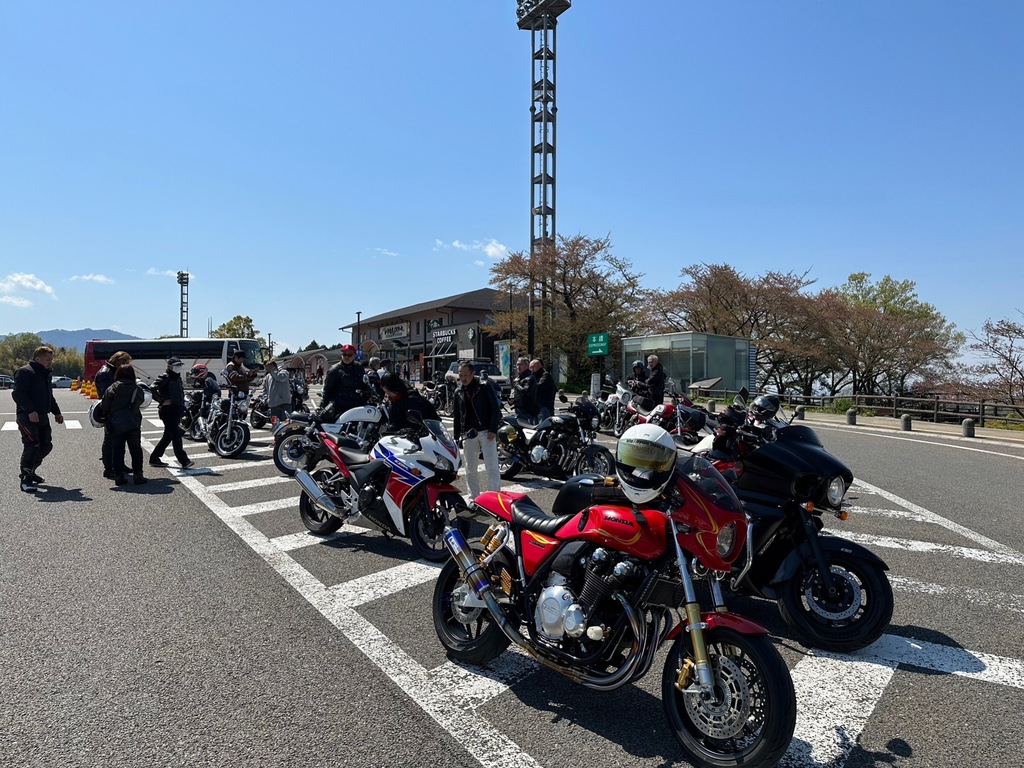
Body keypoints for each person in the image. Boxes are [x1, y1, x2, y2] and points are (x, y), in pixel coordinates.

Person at [12, 345, 64, 493]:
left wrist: (57, 412)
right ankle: (26, 480)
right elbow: (18, 394)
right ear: (38, 359)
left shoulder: (45, 373)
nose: (50, 362)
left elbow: (49, 396)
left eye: (51, 359)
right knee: (32, 445)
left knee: (46, 445)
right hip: (27, 416)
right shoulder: (25, 372)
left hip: (42, 416)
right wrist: (30, 410)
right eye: (48, 360)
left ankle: (31, 470)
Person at [452, 361, 501, 500]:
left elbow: (494, 408)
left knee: (492, 465)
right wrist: (457, 437)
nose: (463, 378)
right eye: (461, 375)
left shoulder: (484, 386)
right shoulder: (458, 391)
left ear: (473, 373)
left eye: (466, 375)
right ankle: (473, 497)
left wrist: (493, 429)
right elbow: (457, 416)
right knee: (470, 467)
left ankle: (494, 497)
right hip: (468, 434)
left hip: (486, 431)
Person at [101, 364, 147, 486]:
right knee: (136, 450)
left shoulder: (112, 388)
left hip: (116, 424)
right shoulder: (137, 389)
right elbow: (141, 401)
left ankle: (119, 477)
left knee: (118, 450)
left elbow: (104, 406)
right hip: (133, 423)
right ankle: (138, 476)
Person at [149, 357, 194, 469]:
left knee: (167, 437)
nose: (179, 367)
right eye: (176, 365)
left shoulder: (177, 378)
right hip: (167, 411)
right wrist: (162, 401)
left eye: (180, 365)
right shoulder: (165, 377)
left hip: (176, 411)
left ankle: (154, 458)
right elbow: (152, 388)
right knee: (176, 436)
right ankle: (184, 460)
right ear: (169, 366)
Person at [95, 350, 133, 480]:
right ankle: (109, 468)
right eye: (125, 362)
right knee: (110, 441)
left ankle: (119, 464)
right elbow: (106, 393)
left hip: (117, 410)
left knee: (118, 440)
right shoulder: (105, 373)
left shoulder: (110, 371)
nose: (127, 365)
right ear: (119, 362)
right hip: (110, 411)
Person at [321, 344, 369, 415]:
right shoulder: (334, 370)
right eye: (344, 354)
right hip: (340, 408)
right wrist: (323, 406)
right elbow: (327, 390)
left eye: (349, 355)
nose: (346, 357)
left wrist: (367, 393)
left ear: (354, 355)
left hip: (357, 406)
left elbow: (364, 384)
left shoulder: (359, 367)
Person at [261, 358, 292, 423]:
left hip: (284, 403)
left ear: (273, 366)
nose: (267, 369)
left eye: (268, 368)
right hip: (273, 405)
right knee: (274, 423)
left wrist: (273, 371)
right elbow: (264, 389)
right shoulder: (267, 377)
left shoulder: (284, 372)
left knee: (286, 423)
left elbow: (280, 378)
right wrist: (266, 398)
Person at [511, 357, 539, 425]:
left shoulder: (530, 378)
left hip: (527, 410)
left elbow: (525, 391)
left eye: (520, 364)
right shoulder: (519, 377)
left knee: (527, 428)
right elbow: (518, 393)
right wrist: (513, 400)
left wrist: (516, 384)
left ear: (527, 365)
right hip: (519, 409)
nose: (518, 367)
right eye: (517, 365)